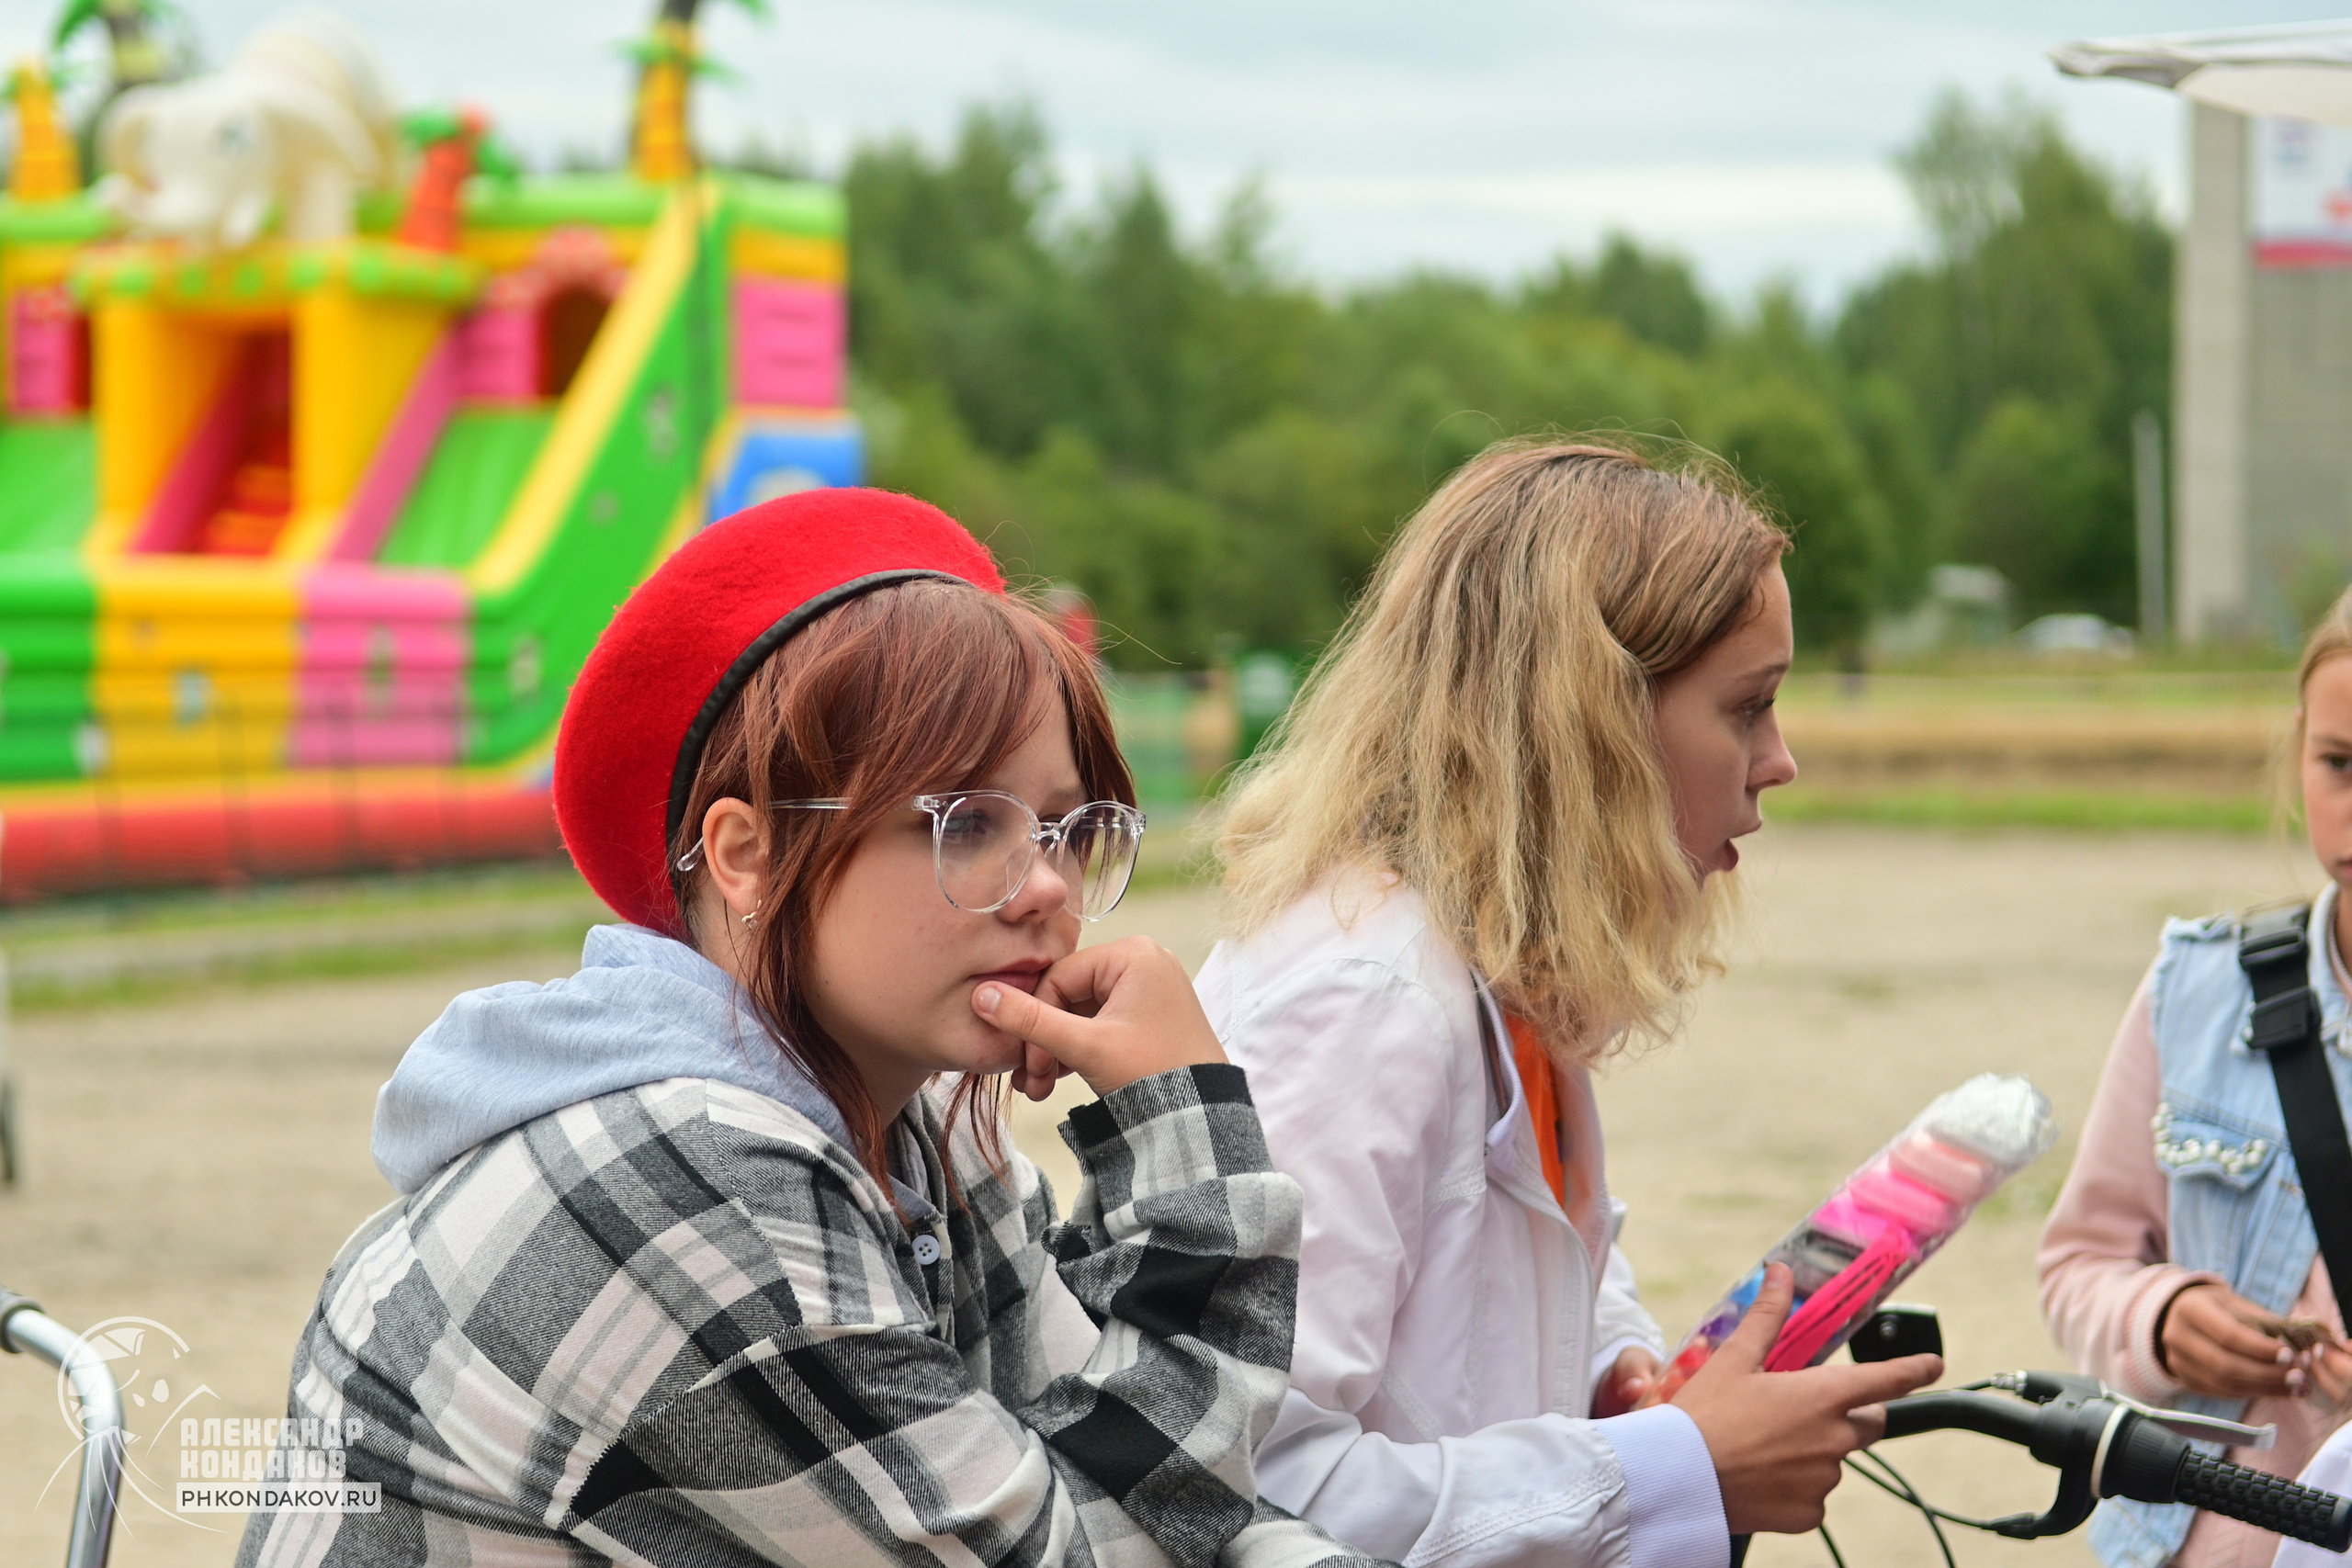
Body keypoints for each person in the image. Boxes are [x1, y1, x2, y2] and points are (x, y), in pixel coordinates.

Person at [237, 490, 1386, 1568]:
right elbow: (1094, 1546)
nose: (1045, 885)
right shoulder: (682, 1181)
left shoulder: (924, 1121)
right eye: (967, 822)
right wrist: (1186, 1130)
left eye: (1062, 826)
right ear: (749, 856)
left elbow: (1142, 1478)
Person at [1194, 438, 1944, 1568]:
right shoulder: (1363, 1003)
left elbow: (1502, 1293)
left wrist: (1618, 1371)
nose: (1779, 760)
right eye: (1747, 709)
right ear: (1588, 726)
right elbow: (1256, 1486)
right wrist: (1674, 1467)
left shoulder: (1499, 970)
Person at [2042, 585, 2352, 1568]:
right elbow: (2076, 1267)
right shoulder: (2200, 987)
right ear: (2298, 749)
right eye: (2340, 764)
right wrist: (2162, 1320)